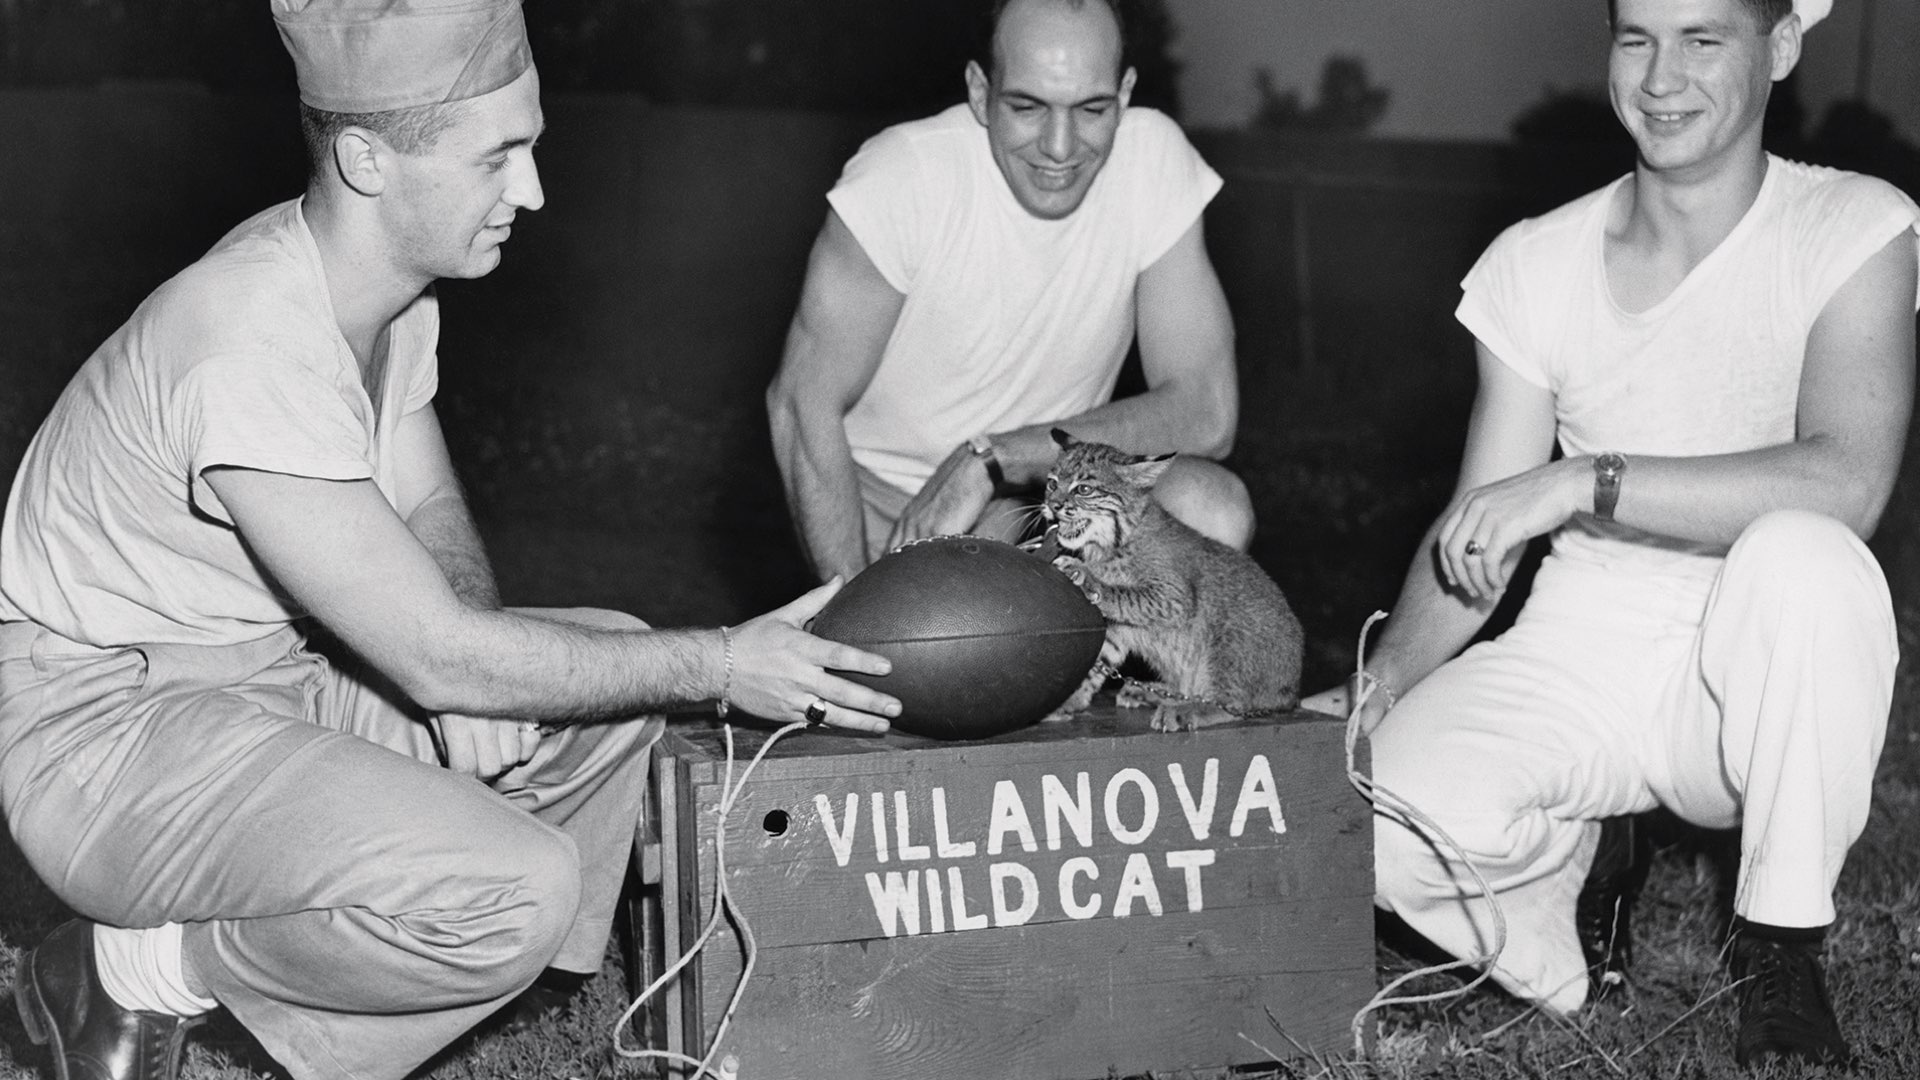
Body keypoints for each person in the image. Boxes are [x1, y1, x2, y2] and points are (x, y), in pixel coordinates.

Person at [0, 3, 900, 1079]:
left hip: (257, 690)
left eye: (532, 146)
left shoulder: (386, 297)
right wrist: (715, 659)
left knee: (605, 676)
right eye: (499, 158)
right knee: (519, 881)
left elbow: (430, 517)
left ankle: (432, 955)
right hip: (103, 739)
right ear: (366, 159)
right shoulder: (244, 339)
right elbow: (432, 649)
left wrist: (465, 671)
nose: (532, 192)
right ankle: (138, 972)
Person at [1303, 0, 1920, 1066]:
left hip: (1753, 682)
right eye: (1636, 36)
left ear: (1778, 48)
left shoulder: (1854, 225)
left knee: (1806, 555)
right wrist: (1380, 684)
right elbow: (1478, 537)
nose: (1660, 75)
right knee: (1370, 816)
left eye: (1703, 38)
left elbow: (1848, 481)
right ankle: (1569, 886)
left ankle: (1781, 945)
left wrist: (1587, 480)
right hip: (1580, 648)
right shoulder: (1536, 260)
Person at [767, 0, 1251, 584]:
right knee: (883, 648)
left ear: (1124, 94)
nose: (1059, 146)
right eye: (1027, 106)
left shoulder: (1155, 162)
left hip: (1027, 497)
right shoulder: (904, 174)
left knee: (1211, 509)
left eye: (1092, 108)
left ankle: (1115, 670)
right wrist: (850, 609)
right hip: (874, 504)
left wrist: (993, 458)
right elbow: (800, 401)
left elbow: (1206, 410)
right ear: (979, 91)